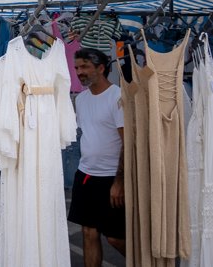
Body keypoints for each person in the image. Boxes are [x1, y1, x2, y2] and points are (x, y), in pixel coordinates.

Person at [68, 48, 125, 267]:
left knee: (115, 237)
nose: (79, 72)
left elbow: (127, 142)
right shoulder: (81, 100)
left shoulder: (118, 96)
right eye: (76, 67)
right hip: (86, 175)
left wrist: (119, 182)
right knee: (89, 234)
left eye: (84, 67)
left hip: (111, 177)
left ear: (101, 68)